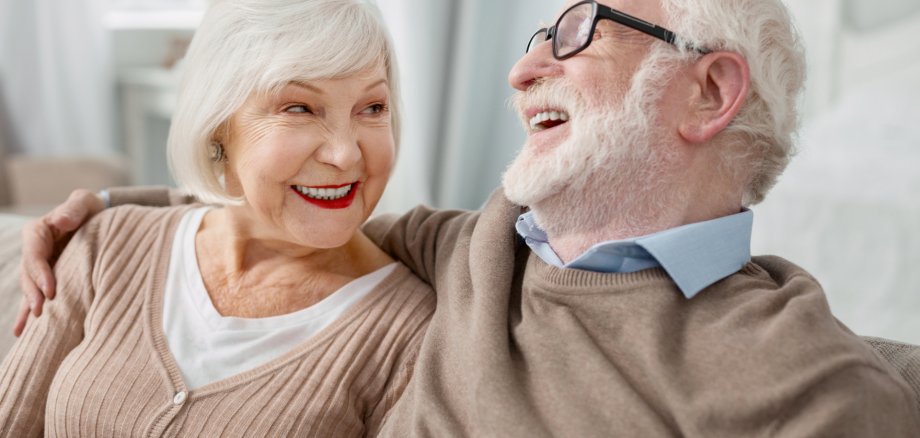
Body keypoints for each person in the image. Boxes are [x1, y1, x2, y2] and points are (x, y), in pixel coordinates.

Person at [15, 0, 920, 435]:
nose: (524, 72)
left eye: (574, 33)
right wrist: (98, 217)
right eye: (532, 43)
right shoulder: (475, 248)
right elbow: (269, 213)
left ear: (709, 90)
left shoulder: (811, 389)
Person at [0, 0, 435, 436]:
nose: (345, 155)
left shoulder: (411, 334)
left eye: (373, 108)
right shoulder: (105, 244)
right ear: (217, 127)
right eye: (299, 108)